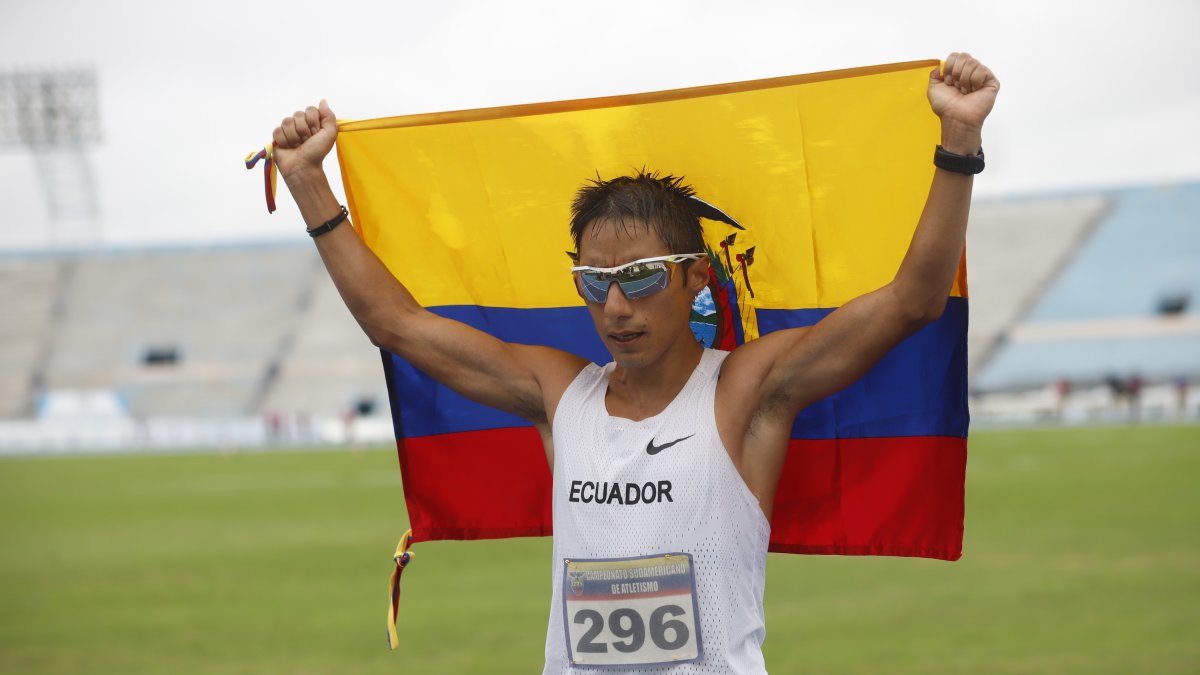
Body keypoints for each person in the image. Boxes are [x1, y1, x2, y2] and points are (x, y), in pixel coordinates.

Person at [269, 52, 999, 674]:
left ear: (697, 279)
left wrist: (958, 139)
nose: (615, 305)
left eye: (642, 276)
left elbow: (913, 300)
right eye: (593, 282)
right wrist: (308, 181)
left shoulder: (747, 391)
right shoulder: (558, 394)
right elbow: (397, 324)